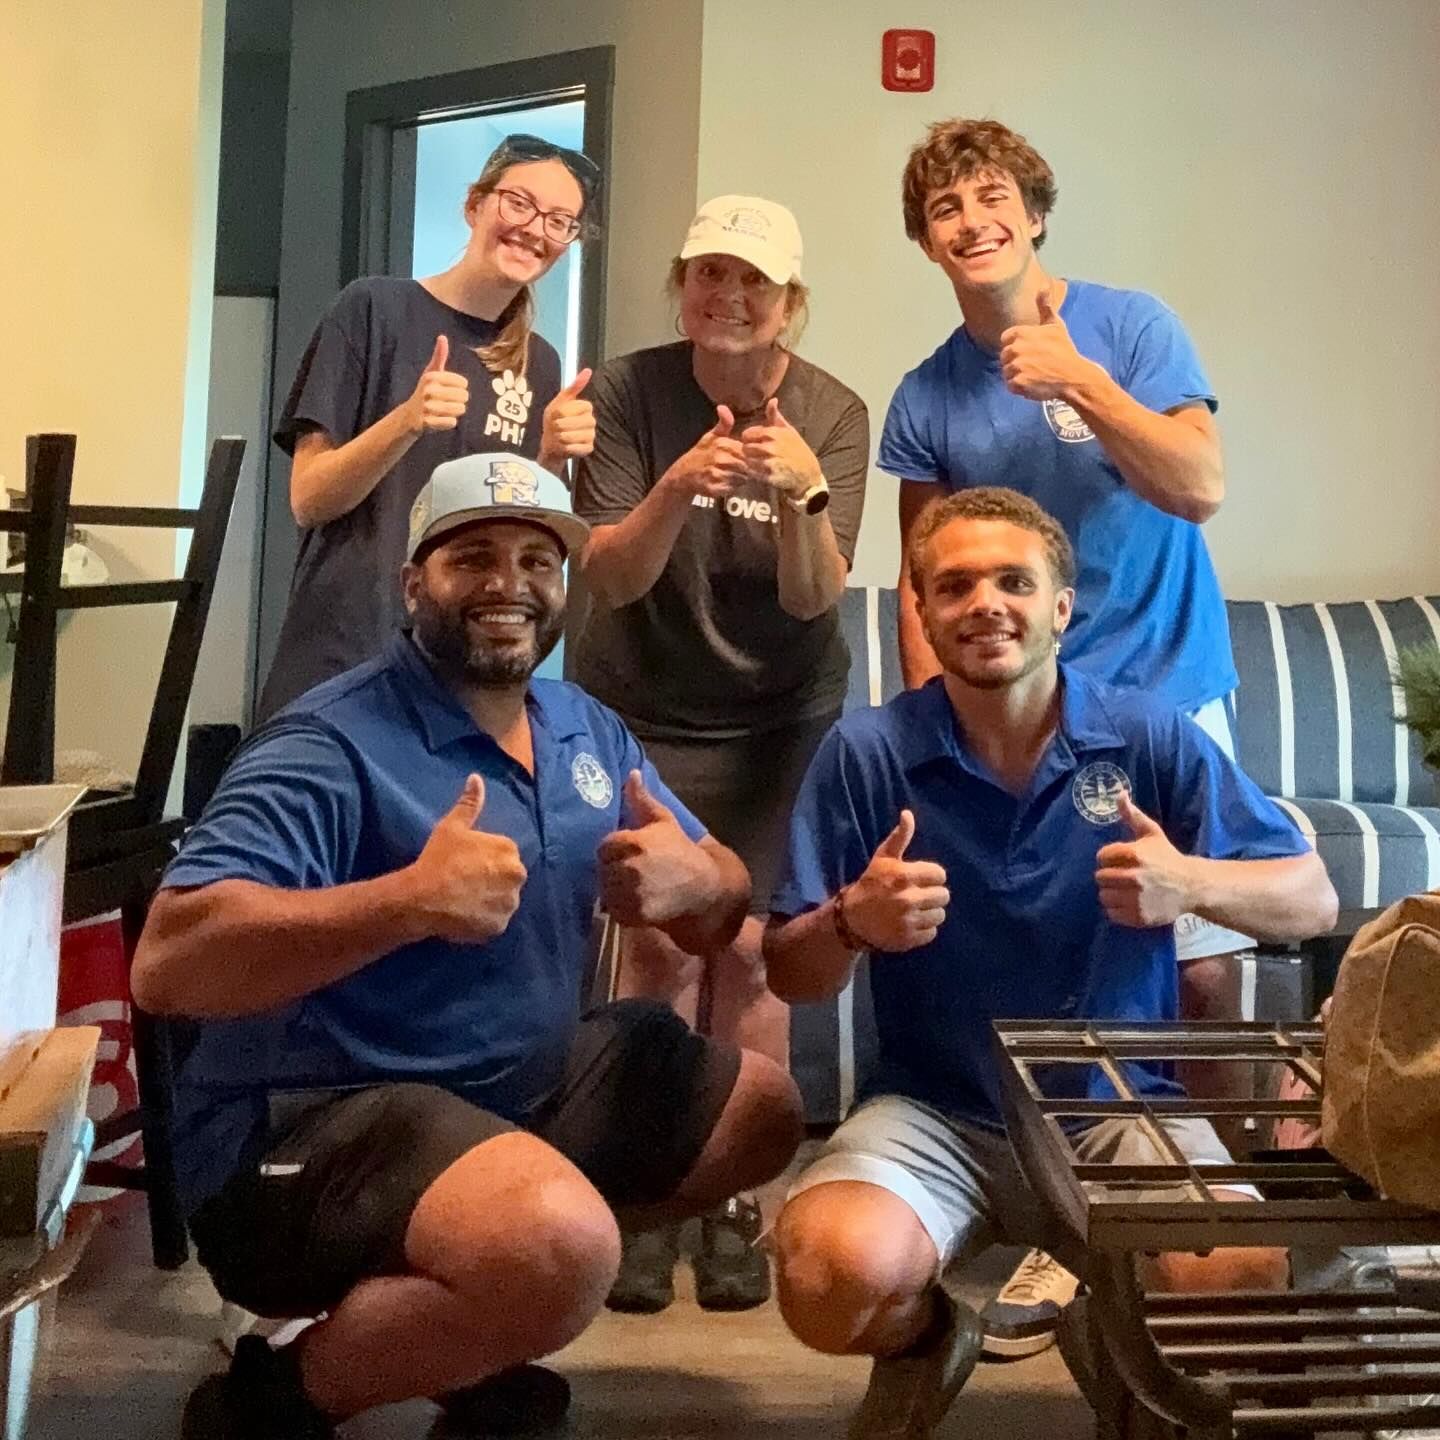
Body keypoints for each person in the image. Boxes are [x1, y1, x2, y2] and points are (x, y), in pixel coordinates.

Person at [132, 453, 804, 1439]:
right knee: (559, 1246)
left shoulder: (585, 728)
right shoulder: (326, 742)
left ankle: (466, 1319)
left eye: (539, 560)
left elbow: (717, 902)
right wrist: (403, 903)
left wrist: (707, 884)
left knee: (761, 1114)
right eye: (473, 557)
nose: (510, 584)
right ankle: (275, 1399)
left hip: (500, 1086)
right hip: (309, 1120)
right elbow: (167, 963)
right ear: (414, 584)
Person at [764, 488, 1338, 1439]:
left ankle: (1104, 1321)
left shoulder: (1146, 734)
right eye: (953, 586)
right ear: (923, 610)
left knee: (1240, 1276)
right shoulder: (869, 750)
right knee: (828, 1277)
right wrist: (852, 923)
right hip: (937, 1109)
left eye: (1013, 581)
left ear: (1061, 608)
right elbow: (792, 974)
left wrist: (1190, 883)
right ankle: (928, 1342)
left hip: (1119, 1100)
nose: (985, 602)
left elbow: (1311, 897)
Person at [880, 116, 1249, 1355]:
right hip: (1022, 726)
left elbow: (1199, 486)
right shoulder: (928, 393)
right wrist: (930, 727)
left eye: (991, 196)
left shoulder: (1132, 327)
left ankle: (1188, 1240)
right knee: (1048, 977)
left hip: (1168, 700)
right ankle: (1057, 1220)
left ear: (1034, 212)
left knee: (1199, 970)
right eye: (945, 208)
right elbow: (917, 575)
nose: (972, 219)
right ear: (927, 242)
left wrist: (1081, 383)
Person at [570, 195, 868, 1311]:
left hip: (777, 721)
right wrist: (676, 487)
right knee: (657, 950)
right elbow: (606, 578)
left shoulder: (835, 410)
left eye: (753, 282)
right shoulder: (625, 393)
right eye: (708, 275)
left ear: (790, 302)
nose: (727, 298)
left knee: (748, 953)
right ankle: (649, 1190)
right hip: (643, 705)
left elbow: (811, 599)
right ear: (682, 287)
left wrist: (801, 492)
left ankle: (738, 1197)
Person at [257, 132, 601, 720]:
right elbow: (309, 499)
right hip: (347, 656)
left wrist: (549, 459)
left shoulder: (538, 362)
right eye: (519, 203)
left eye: (560, 220)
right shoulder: (372, 310)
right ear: (475, 205)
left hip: (460, 668)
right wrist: (408, 420)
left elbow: (514, 533)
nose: (535, 228)